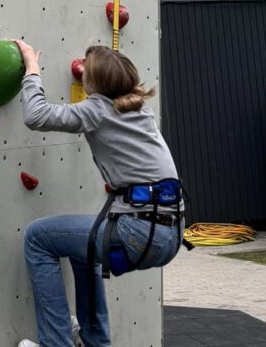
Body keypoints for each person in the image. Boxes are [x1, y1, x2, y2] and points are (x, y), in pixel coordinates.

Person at [14, 41, 184, 347]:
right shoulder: (138, 107)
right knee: (86, 248)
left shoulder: (97, 109)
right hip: (170, 235)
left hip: (139, 232)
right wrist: (97, 68)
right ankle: (94, 340)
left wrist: (32, 69)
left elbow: (36, 116)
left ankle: (55, 342)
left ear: (95, 83)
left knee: (37, 237)